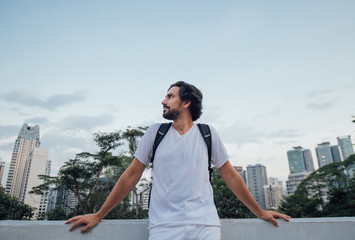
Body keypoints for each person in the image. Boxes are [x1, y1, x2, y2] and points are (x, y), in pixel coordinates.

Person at [65, 81, 291, 239]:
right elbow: (131, 175)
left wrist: (260, 212)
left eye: (170, 96)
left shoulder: (207, 133)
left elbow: (231, 176)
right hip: (164, 228)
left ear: (186, 103)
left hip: (205, 226)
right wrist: (99, 214)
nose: (163, 101)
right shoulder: (156, 133)